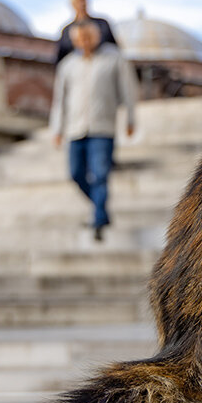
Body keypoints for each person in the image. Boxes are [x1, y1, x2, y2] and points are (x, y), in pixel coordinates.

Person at [50, 20, 137, 242]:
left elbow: (128, 89)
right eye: (79, 39)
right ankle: (102, 209)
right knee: (76, 173)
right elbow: (60, 99)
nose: (84, 42)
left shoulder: (113, 58)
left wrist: (130, 117)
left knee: (100, 175)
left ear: (96, 37)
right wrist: (57, 128)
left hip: (102, 128)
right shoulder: (67, 65)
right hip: (75, 128)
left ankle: (98, 220)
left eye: (87, 37)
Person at [55, 0, 117, 66]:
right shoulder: (66, 31)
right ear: (72, 4)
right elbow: (61, 59)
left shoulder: (103, 24)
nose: (81, 4)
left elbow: (115, 49)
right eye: (77, 1)